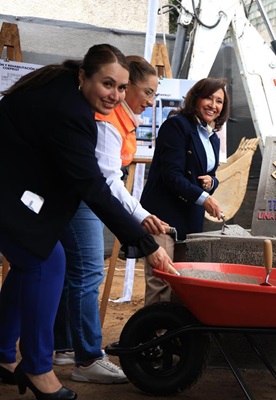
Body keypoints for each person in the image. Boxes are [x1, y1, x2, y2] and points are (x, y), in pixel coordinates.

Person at [0, 43, 174, 400]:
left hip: (16, 181)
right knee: (47, 262)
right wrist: (144, 243)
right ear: (84, 76)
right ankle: (37, 367)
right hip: (7, 184)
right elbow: (93, 185)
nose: (115, 95)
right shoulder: (72, 111)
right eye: (107, 84)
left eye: (122, 87)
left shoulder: (68, 89)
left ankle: (2, 354)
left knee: (34, 261)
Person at [52, 55, 167, 384]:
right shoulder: (107, 121)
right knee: (88, 274)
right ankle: (88, 358)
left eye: (153, 94)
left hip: (79, 198)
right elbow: (106, 183)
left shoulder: (119, 119)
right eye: (146, 92)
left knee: (70, 275)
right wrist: (142, 219)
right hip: (82, 202)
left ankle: (65, 347)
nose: (150, 100)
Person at [140, 77, 228, 305]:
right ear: (195, 98)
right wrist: (205, 198)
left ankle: (176, 337)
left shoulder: (213, 138)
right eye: (208, 97)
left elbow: (210, 175)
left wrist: (212, 183)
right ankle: (154, 336)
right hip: (163, 216)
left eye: (219, 101)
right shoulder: (176, 125)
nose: (213, 104)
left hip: (190, 218)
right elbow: (171, 174)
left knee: (183, 282)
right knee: (161, 280)